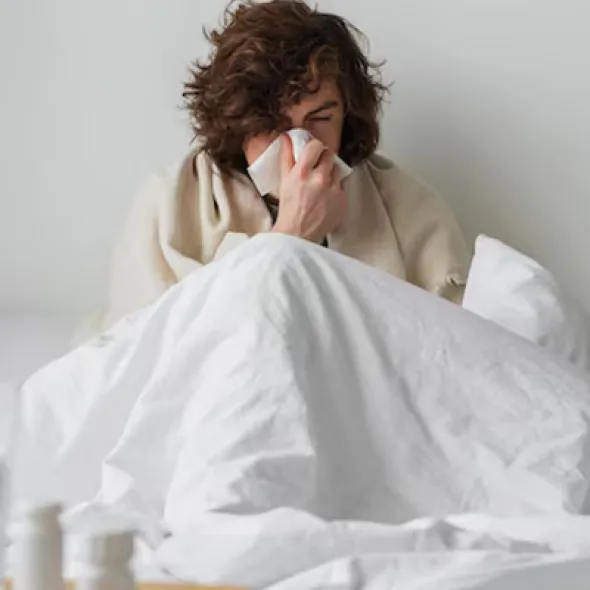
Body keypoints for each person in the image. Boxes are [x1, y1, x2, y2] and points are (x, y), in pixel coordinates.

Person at [77, 0, 470, 342]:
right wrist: (292, 234)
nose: (299, 144)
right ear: (237, 125)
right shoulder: (167, 208)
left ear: (346, 119)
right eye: (272, 126)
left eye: (321, 118)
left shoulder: (411, 211)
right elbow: (153, 359)